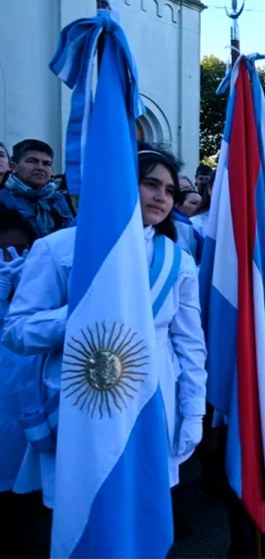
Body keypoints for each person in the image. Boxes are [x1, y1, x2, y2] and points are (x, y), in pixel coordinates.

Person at [3, 147, 207, 517]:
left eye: (170, 190)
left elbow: (190, 345)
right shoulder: (58, 247)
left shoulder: (178, 260)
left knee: (141, 517)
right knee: (82, 517)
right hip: (80, 404)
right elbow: (17, 332)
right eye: (150, 184)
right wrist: (80, 316)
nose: (162, 196)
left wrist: (193, 411)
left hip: (152, 402)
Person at [0, 207, 45, 558]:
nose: (13, 261)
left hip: (24, 428)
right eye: (3, 253)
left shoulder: (38, 298)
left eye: (21, 252)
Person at [0, 140, 73, 238]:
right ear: (14, 167)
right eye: (32, 161)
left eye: (46, 163)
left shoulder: (64, 200)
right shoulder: (3, 199)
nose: (40, 168)